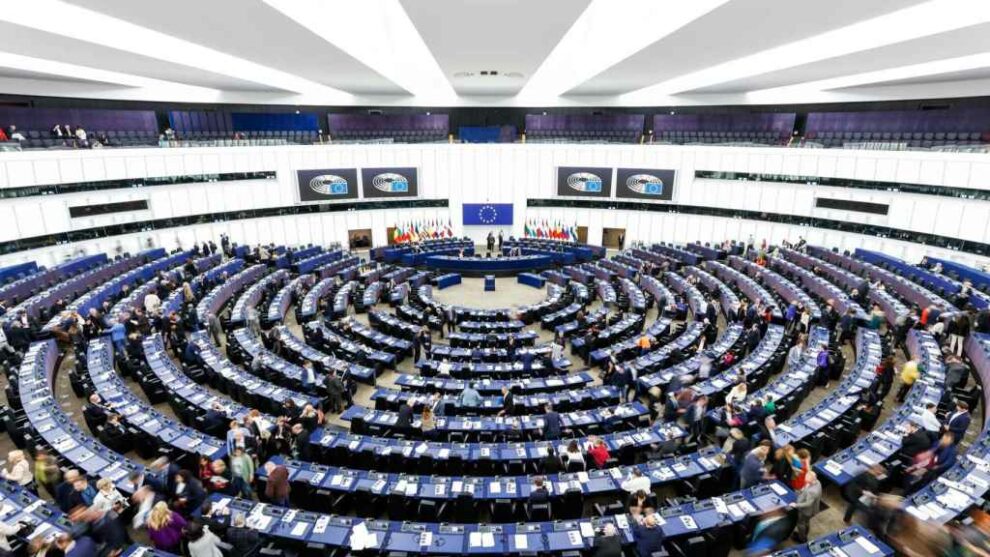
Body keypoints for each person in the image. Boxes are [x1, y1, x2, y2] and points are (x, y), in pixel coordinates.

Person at [792, 471, 822, 543]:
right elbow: (807, 487)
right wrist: (804, 488)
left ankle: (802, 538)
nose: (805, 480)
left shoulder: (812, 492)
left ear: (812, 479)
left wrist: (795, 505)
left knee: (800, 524)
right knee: (806, 522)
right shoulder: (817, 482)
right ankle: (804, 533)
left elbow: (808, 504)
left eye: (807, 479)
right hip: (813, 509)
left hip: (806, 511)